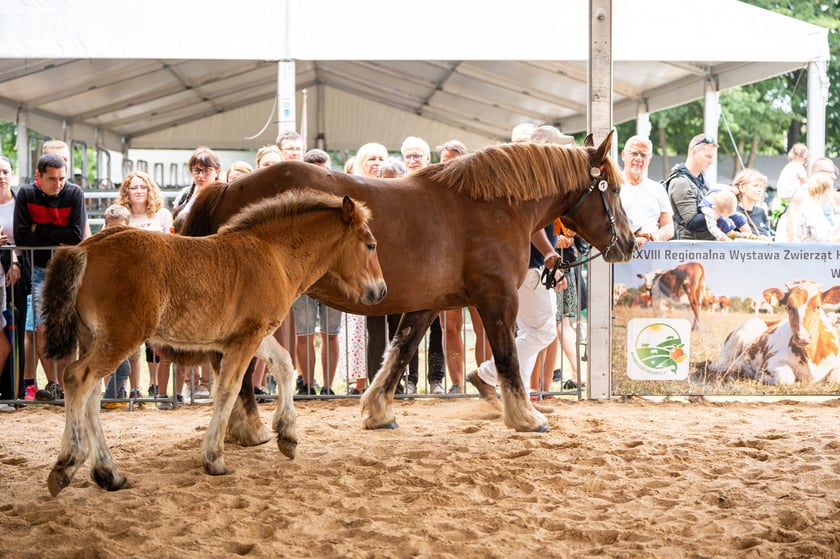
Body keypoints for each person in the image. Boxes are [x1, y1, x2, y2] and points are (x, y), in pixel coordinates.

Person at [467, 124, 564, 415]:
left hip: (525, 264)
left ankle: (519, 398)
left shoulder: (530, 179)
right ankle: (486, 375)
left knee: (533, 330)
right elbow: (531, 226)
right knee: (542, 331)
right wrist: (548, 252)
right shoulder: (532, 182)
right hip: (528, 264)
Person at [14, 153, 87, 401]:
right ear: (38, 177)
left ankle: (68, 384)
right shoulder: (25, 194)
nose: (58, 184)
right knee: (41, 328)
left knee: (68, 328)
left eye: (62, 178)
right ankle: (54, 384)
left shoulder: (74, 193)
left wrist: (39, 230)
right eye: (52, 179)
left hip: (68, 270)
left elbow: (76, 235)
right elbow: (22, 237)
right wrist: (58, 237)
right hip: (38, 271)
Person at [436, 140, 490, 394]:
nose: (448, 165)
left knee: (484, 326)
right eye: (445, 160)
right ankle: (457, 382)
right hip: (446, 267)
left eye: (454, 160)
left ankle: (485, 378)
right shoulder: (432, 192)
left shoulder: (476, 192)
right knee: (450, 327)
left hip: (475, 266)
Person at [117, 171, 173, 399]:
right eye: (134, 187)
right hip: (128, 285)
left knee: (156, 339)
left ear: (150, 190)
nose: (139, 191)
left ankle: (155, 385)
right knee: (131, 339)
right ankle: (133, 388)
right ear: (126, 192)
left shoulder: (162, 215)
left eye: (143, 187)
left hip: (158, 283)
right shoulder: (122, 216)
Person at [293, 150, 344, 395]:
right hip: (304, 280)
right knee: (304, 334)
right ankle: (308, 385)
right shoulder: (296, 209)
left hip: (332, 279)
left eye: (324, 171)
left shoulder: (340, 208)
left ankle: (328, 386)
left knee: (330, 334)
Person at [100, 205, 132, 405]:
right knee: (121, 364)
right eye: (111, 228)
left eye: (120, 228)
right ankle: (110, 397)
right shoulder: (101, 251)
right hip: (107, 313)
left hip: (125, 312)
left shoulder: (132, 251)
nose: (115, 233)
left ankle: (115, 396)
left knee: (121, 362)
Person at [618, 135, 674, 246]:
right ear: (623, 155)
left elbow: (668, 227)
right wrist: (633, 238)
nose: (639, 158)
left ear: (649, 159)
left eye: (644, 155)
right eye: (634, 153)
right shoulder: (612, 187)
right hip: (620, 256)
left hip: (652, 258)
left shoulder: (658, 189)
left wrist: (655, 237)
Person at [666, 134, 718, 240]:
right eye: (708, 156)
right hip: (689, 251)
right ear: (694, 152)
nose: (711, 162)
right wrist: (721, 210)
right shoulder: (680, 182)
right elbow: (693, 222)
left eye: (713, 157)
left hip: (706, 249)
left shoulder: (703, 182)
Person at [0, 156, 19, 403]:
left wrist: (14, 261)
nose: (1, 176)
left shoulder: (19, 202)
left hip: (7, 278)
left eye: (4, 171)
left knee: (5, 344)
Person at [793, 174, 840, 242]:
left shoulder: (812, 207)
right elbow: (822, 240)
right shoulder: (812, 209)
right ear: (825, 191)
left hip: (810, 251)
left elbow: (825, 234)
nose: (832, 193)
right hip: (813, 251)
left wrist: (838, 227)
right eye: (831, 189)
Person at [733, 169, 772, 238]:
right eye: (755, 186)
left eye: (761, 187)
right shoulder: (733, 212)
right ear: (741, 188)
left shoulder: (761, 212)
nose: (759, 190)